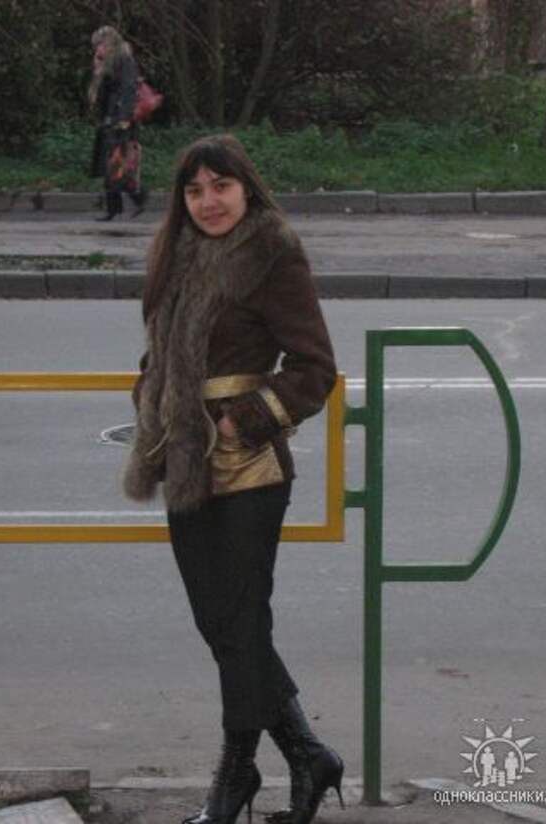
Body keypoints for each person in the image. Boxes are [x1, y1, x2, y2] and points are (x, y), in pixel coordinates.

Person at [123, 133, 343, 824]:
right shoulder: (176, 252)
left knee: (242, 621)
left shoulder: (272, 252)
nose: (208, 201)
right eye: (194, 190)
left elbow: (315, 369)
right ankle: (308, 755)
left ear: (246, 187)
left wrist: (238, 422)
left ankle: (235, 774)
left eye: (221, 186)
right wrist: (151, 394)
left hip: (248, 465)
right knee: (219, 622)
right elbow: (162, 350)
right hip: (183, 461)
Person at [88, 25, 148, 220]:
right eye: (96, 45)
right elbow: (100, 95)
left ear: (110, 43)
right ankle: (117, 207)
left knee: (115, 164)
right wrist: (98, 70)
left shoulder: (124, 59)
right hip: (109, 118)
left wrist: (124, 117)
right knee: (111, 164)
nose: (98, 48)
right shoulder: (107, 62)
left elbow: (129, 88)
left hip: (121, 119)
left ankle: (136, 198)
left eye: (100, 44)